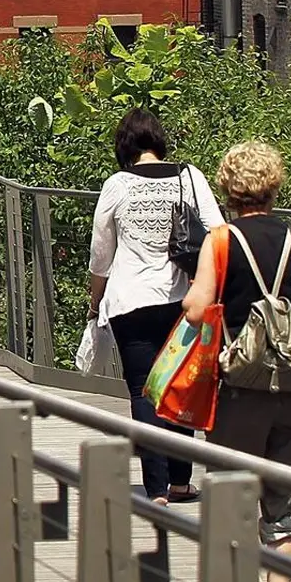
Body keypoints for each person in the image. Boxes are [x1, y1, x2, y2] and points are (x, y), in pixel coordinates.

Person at [183, 141, 291, 561]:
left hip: (238, 389)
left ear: (228, 188)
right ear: (274, 185)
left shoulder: (221, 240)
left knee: (231, 495)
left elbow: (195, 310)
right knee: (285, 509)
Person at [88, 109, 225, 505]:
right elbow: (217, 234)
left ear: (125, 146)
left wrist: (95, 302)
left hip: (130, 300)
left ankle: (157, 488)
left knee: (143, 391)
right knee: (180, 386)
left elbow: (101, 254)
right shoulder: (190, 177)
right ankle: (182, 480)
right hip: (183, 299)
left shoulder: (117, 184)